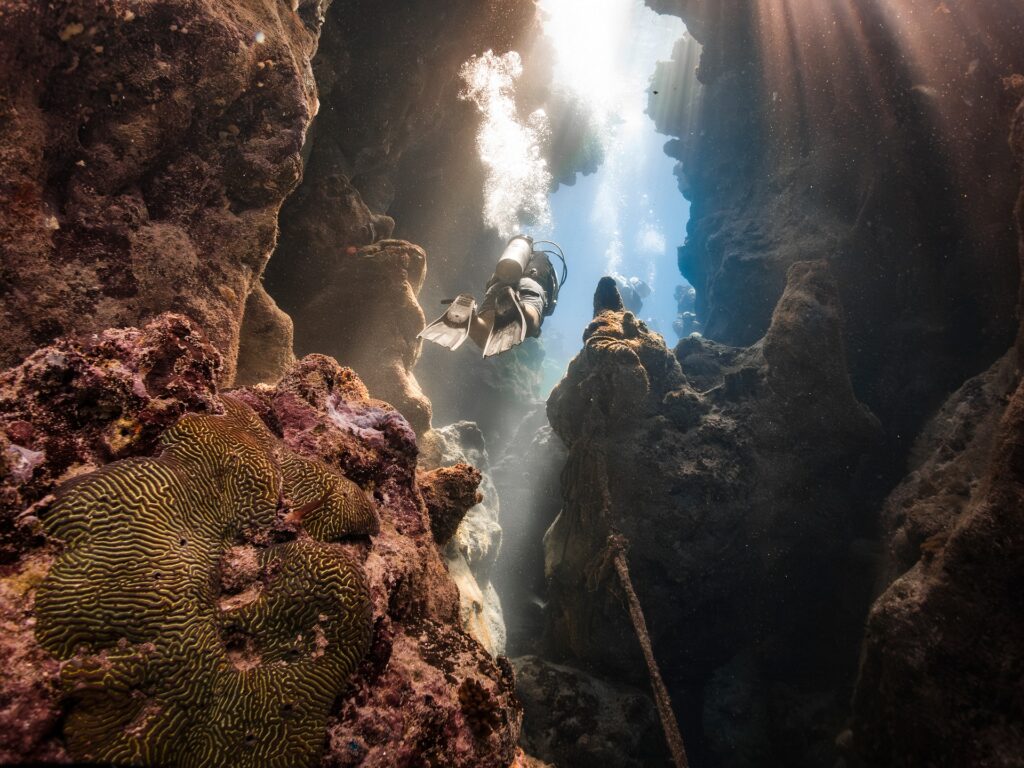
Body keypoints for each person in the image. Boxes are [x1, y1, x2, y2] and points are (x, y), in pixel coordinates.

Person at [419, 236, 566, 357]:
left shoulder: (511, 257)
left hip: (499, 280)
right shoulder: (543, 259)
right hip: (532, 279)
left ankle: (473, 317)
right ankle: (519, 308)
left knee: (485, 337)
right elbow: (551, 301)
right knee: (529, 326)